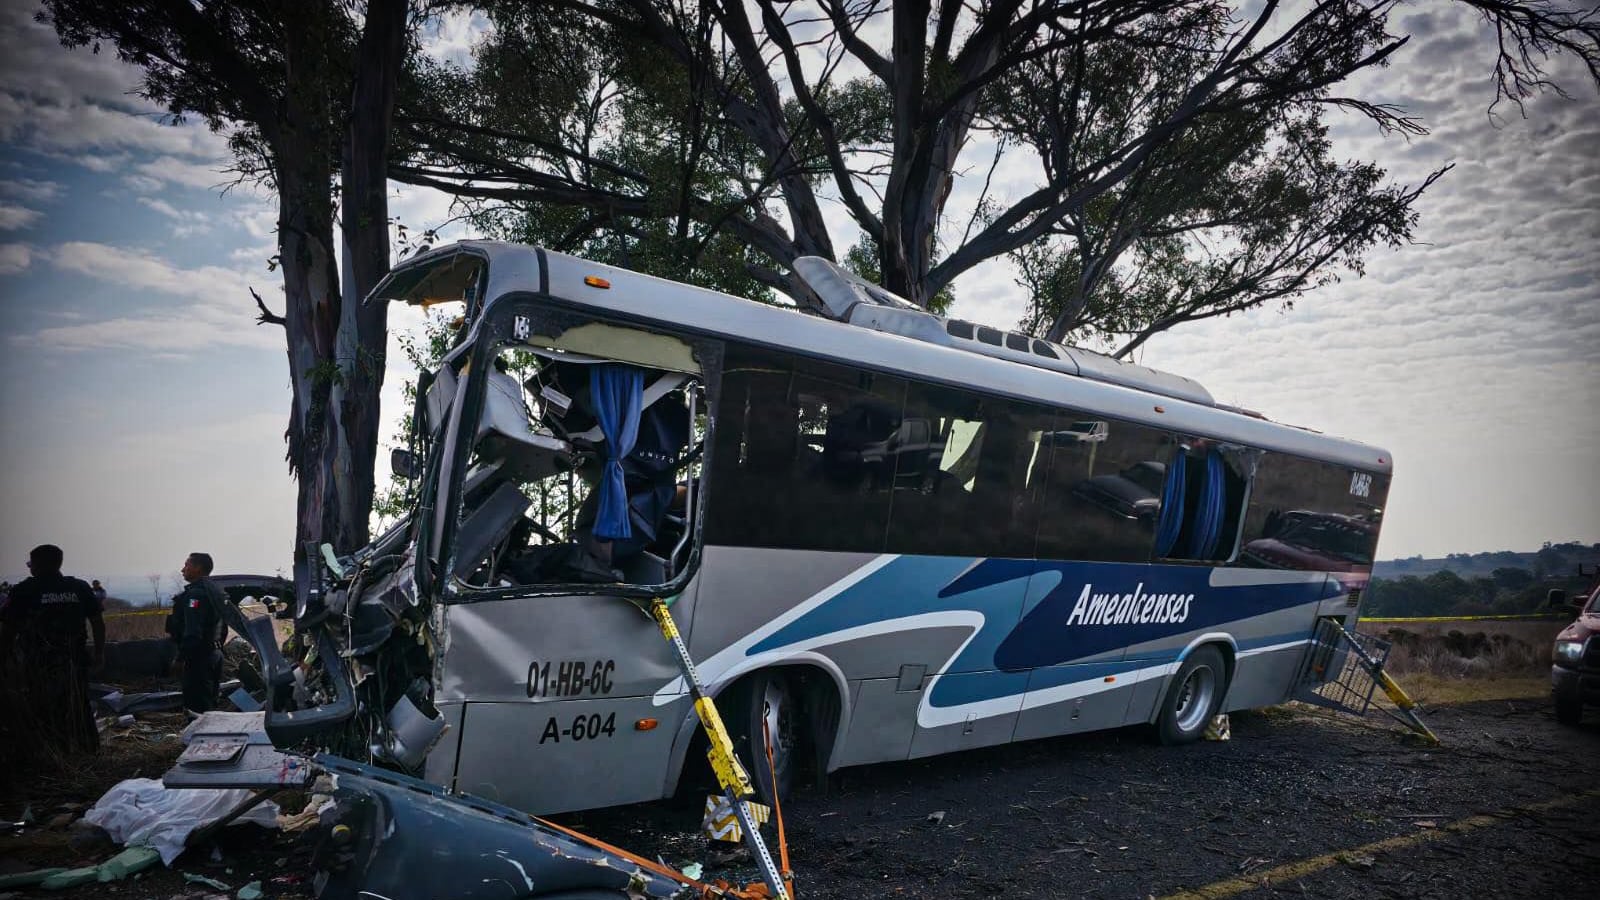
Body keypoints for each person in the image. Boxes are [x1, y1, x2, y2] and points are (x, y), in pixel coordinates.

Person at [0, 544, 105, 753]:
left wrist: (4, 657)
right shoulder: (79, 587)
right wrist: (100, 652)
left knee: (42, 709)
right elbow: (97, 622)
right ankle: (88, 750)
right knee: (80, 706)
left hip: (39, 665)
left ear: (36, 565)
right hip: (75, 661)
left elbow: (8, 629)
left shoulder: (25, 590)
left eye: (31, 564)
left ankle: (52, 754)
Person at [168, 552, 226, 716]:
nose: (182, 570)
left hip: (199, 658)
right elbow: (223, 626)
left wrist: (180, 659)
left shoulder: (196, 595)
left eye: (187, 565)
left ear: (198, 568)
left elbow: (193, 633)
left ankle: (200, 741)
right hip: (214, 654)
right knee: (209, 704)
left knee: (197, 710)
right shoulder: (214, 591)